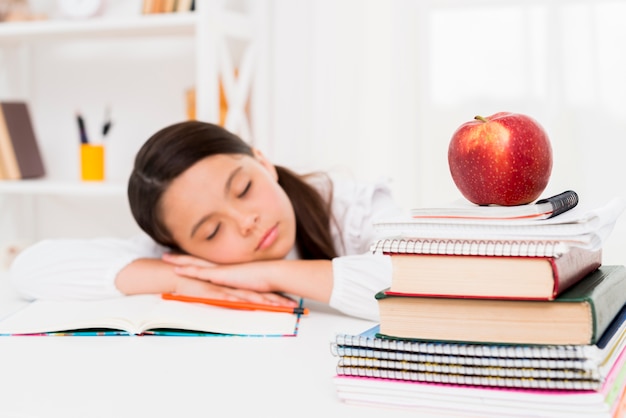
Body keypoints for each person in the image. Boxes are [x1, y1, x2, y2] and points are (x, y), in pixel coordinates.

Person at [9, 121, 403, 321]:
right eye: (212, 231)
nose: (245, 221)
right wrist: (178, 278)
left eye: (244, 187)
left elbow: (416, 283)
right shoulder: (182, 260)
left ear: (263, 162)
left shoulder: (351, 208)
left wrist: (267, 275)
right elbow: (29, 270)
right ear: (181, 249)